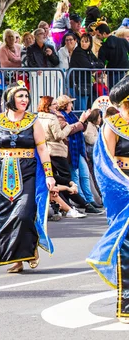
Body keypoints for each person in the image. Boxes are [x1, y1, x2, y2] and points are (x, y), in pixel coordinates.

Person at [0, 81, 55, 273]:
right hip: (3, 172)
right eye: (20, 96)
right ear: (10, 99)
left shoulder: (33, 120)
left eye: (26, 96)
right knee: (5, 217)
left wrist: (49, 175)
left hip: (27, 171)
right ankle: (16, 260)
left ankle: (30, 249)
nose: (25, 100)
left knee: (24, 214)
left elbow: (42, 148)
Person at [87, 74, 129, 324]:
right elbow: (106, 164)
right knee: (127, 246)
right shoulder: (111, 125)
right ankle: (127, 305)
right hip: (123, 191)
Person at [36, 96, 100, 215]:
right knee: (67, 178)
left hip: (52, 150)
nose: (56, 106)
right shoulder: (54, 117)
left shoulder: (40, 117)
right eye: (53, 104)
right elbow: (59, 135)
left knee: (64, 177)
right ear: (48, 106)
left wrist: (80, 122)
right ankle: (79, 204)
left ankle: (74, 204)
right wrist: (70, 126)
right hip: (58, 150)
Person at [57, 95, 102, 209]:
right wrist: (81, 121)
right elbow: (69, 131)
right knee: (75, 176)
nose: (72, 105)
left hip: (79, 150)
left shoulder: (73, 115)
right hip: (71, 151)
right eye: (70, 103)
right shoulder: (60, 117)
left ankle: (90, 199)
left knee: (85, 175)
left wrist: (84, 120)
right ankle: (83, 201)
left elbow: (82, 128)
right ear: (66, 104)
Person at [69, 33, 104, 109]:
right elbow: (87, 65)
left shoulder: (89, 52)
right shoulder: (78, 51)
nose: (83, 44)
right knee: (81, 107)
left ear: (90, 43)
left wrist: (93, 64)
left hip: (85, 83)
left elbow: (101, 64)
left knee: (85, 106)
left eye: (86, 42)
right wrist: (93, 64)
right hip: (77, 83)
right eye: (82, 41)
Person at [95, 23, 129, 88]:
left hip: (112, 73)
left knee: (113, 92)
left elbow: (101, 63)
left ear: (104, 34)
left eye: (98, 35)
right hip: (124, 71)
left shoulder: (103, 47)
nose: (97, 37)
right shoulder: (123, 41)